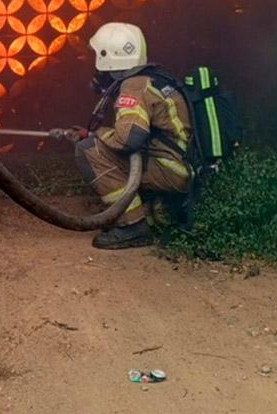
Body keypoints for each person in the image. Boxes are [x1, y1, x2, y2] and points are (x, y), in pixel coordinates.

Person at [50, 22, 193, 250]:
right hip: (180, 165)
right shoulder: (152, 78)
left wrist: (96, 135)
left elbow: (129, 139)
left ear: (110, 58)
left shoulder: (134, 88)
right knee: (94, 143)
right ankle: (157, 207)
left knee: (88, 150)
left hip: (171, 170)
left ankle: (132, 226)